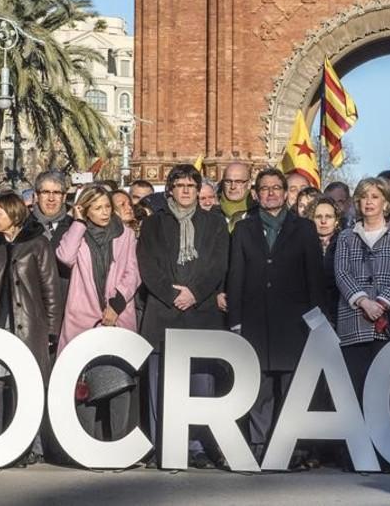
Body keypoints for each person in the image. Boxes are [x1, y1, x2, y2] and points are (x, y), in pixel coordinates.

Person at [227, 169, 323, 461]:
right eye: (264, 188)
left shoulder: (304, 229)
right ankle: (259, 444)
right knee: (260, 385)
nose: (270, 193)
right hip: (256, 320)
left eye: (276, 188)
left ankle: (292, 448)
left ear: (285, 193)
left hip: (294, 321)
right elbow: (236, 277)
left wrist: (317, 321)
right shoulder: (244, 229)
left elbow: (315, 278)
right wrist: (235, 320)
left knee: (294, 385)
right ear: (255, 193)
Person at [137, 164, 229, 468]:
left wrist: (195, 292)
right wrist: (172, 293)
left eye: (192, 185)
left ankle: (197, 446)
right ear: (170, 190)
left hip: (200, 313)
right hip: (162, 312)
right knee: (160, 383)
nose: (186, 190)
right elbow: (147, 265)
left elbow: (218, 264)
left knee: (201, 385)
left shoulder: (215, 223)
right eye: (180, 185)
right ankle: (161, 446)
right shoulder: (153, 225)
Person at [0, 192, 60, 467]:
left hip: (28, 328)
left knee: (24, 386)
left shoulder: (38, 244)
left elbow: (50, 289)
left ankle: (26, 446)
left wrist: (51, 330)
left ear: (14, 217)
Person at [56, 186, 140, 442]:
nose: (105, 213)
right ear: (85, 209)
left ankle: (118, 441)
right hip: (83, 316)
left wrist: (115, 306)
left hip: (117, 313)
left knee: (119, 379)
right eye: (97, 208)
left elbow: (132, 272)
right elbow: (65, 257)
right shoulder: (76, 233)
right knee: (83, 382)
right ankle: (84, 442)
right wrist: (78, 222)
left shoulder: (124, 234)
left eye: (107, 207)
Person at [335, 178, 390, 401]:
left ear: (386, 203)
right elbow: (341, 273)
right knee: (357, 391)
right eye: (363, 197)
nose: (368, 202)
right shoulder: (345, 236)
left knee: (389, 394)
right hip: (354, 322)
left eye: (375, 196)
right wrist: (363, 301)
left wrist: (381, 303)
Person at [311, 197, 342, 322]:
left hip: (338, 311)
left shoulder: (345, 243)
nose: (323, 221)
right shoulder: (303, 243)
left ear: (336, 221)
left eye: (328, 216)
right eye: (318, 217)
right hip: (311, 313)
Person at [219, 162, 254, 232]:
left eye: (238, 182)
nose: (233, 187)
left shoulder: (259, 214)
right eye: (228, 181)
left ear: (249, 184)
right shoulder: (210, 215)